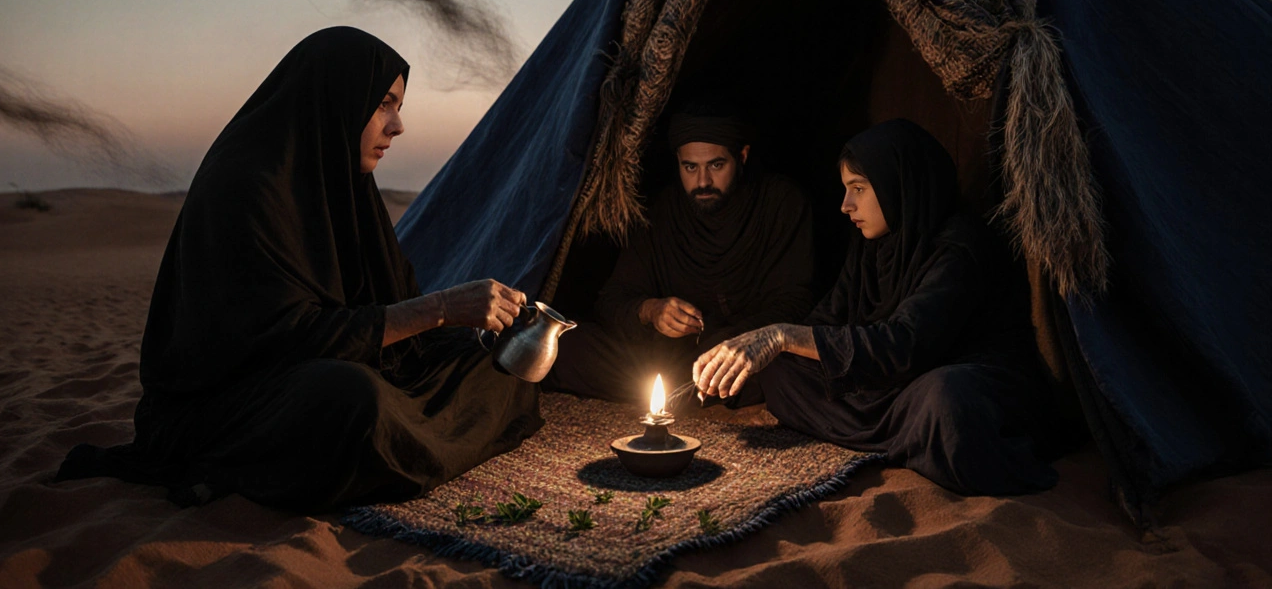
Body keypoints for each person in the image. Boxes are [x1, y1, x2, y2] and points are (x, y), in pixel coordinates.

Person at [55, 27, 543, 512]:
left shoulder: (345, 185)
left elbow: (392, 314)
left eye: (398, 108)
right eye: (383, 104)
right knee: (352, 401)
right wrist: (439, 308)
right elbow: (289, 338)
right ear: (337, 97)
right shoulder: (246, 186)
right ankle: (248, 466)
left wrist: (478, 327)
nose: (397, 126)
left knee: (499, 368)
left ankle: (395, 448)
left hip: (345, 363)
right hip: (236, 401)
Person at [692, 119, 1059, 496]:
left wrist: (782, 334)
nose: (845, 205)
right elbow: (826, 321)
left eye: (858, 189)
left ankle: (903, 436)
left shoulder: (960, 248)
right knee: (781, 369)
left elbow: (905, 345)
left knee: (947, 401)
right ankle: (904, 440)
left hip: (948, 382)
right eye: (846, 189)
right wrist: (752, 353)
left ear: (898, 184)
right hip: (890, 391)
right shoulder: (874, 242)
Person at [544, 106, 816, 404]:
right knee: (564, 345)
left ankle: (691, 389)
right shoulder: (661, 213)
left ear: (742, 157)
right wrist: (652, 311)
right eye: (690, 167)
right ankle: (685, 391)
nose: (702, 182)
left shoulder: (780, 204)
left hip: (742, 353)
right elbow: (611, 300)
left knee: (785, 370)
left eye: (716, 165)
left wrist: (734, 341)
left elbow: (795, 304)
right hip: (665, 359)